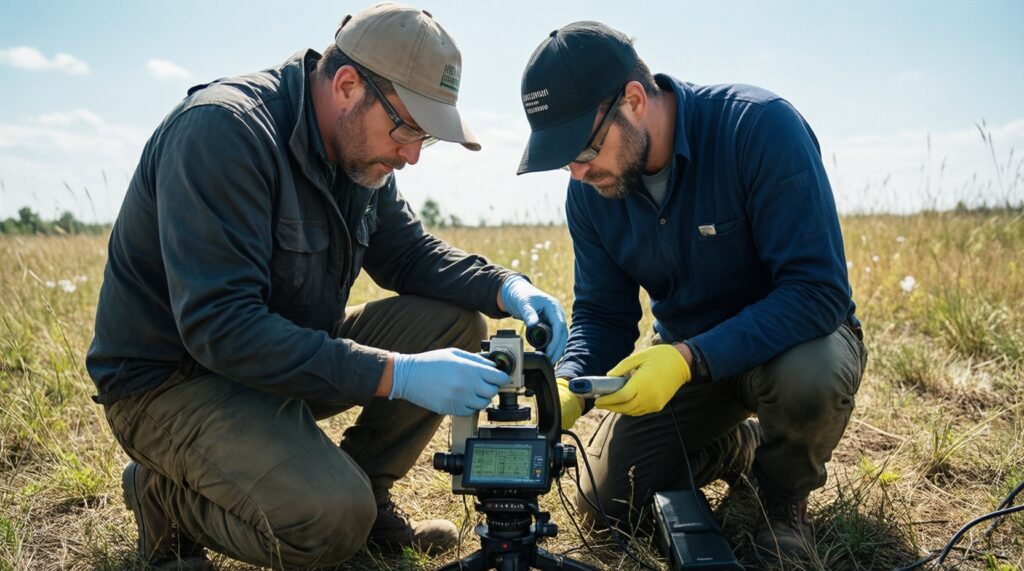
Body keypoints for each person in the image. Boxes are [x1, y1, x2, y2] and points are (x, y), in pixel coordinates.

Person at [86, 4, 567, 569]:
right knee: (330, 522)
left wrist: (509, 288)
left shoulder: (357, 150)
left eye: (426, 137)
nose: (412, 155)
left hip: (277, 363)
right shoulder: (222, 132)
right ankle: (164, 496)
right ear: (346, 85)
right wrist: (400, 374)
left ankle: (367, 491)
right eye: (407, 127)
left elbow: (408, 254)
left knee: (453, 324)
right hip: (174, 382)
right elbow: (222, 329)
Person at [516, 21, 867, 563]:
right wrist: (568, 383)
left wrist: (688, 358)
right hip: (687, 362)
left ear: (635, 101)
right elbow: (604, 315)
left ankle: (782, 501)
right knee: (606, 502)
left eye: (583, 147)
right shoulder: (590, 192)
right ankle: (738, 447)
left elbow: (817, 291)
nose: (577, 170)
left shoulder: (759, 128)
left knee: (811, 375)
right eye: (563, 157)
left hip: (790, 345)